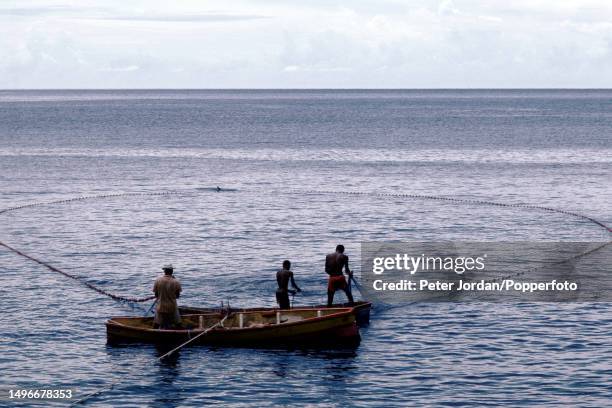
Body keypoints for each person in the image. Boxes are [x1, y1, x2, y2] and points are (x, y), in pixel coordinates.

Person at [153, 264, 182, 329]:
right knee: (178, 324)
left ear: (164, 271)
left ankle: (152, 334)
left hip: (161, 307)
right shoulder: (176, 281)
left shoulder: (158, 280)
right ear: (172, 271)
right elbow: (177, 296)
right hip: (172, 307)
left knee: (156, 324)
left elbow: (156, 295)